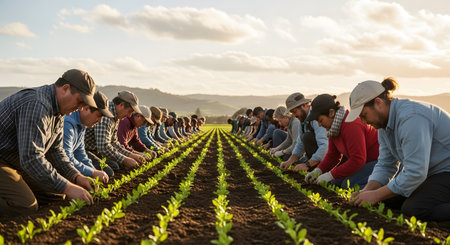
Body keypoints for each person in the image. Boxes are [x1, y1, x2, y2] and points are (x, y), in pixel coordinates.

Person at [348, 79, 450, 221]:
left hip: (446, 171)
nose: (364, 122)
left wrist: (376, 195)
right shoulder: (384, 126)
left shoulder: (411, 118)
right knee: (387, 200)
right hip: (431, 173)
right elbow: (386, 164)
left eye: (364, 115)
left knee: (414, 209)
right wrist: (367, 191)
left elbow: (415, 172)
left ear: (378, 103)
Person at [0, 69, 97, 215]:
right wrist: (68, 186)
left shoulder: (59, 112)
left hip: (12, 160)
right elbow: (31, 158)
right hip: (3, 158)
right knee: (24, 206)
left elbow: (56, 151)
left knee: (56, 195)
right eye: (80, 101)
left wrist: (76, 176)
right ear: (65, 89)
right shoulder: (36, 104)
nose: (81, 108)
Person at [304, 94, 379, 189]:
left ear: (331, 112)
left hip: (377, 161)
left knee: (348, 185)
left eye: (320, 120)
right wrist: (318, 170)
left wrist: (330, 175)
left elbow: (358, 159)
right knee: (335, 182)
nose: (319, 124)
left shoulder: (351, 124)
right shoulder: (333, 128)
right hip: (363, 163)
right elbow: (333, 156)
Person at [85, 91, 145, 172]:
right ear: (121, 105)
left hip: (95, 151)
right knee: (111, 169)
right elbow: (103, 147)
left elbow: (114, 142)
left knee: (115, 165)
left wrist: (131, 155)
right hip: (86, 150)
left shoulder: (116, 117)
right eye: (129, 111)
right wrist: (125, 159)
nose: (129, 115)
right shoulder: (106, 115)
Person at [63, 91, 114, 181]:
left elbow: (80, 153)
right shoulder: (67, 123)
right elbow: (66, 157)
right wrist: (92, 173)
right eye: (98, 116)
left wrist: (93, 171)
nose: (100, 121)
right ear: (86, 108)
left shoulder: (82, 124)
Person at [280, 92, 328, 172]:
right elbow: (300, 143)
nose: (294, 116)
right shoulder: (302, 122)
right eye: (292, 113)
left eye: (295, 112)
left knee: (307, 137)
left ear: (304, 106)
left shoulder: (317, 118)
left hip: (332, 158)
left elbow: (325, 146)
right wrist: (289, 161)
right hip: (319, 158)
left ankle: (320, 169)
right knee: (304, 137)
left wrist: (307, 164)